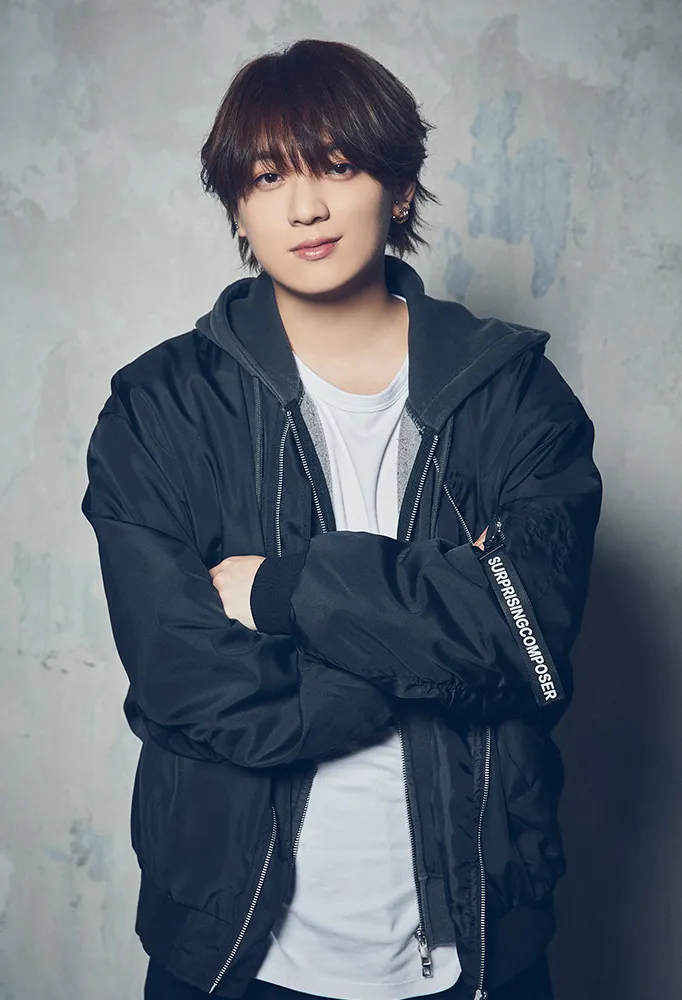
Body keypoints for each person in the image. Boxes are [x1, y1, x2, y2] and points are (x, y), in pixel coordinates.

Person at [81, 38, 602, 1000]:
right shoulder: (160, 407)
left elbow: (528, 638)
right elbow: (180, 678)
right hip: (236, 951)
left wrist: (285, 592)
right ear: (238, 204)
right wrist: (423, 657)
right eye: (268, 176)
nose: (304, 207)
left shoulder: (514, 395)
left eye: (337, 166)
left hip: (478, 946)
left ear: (398, 188)